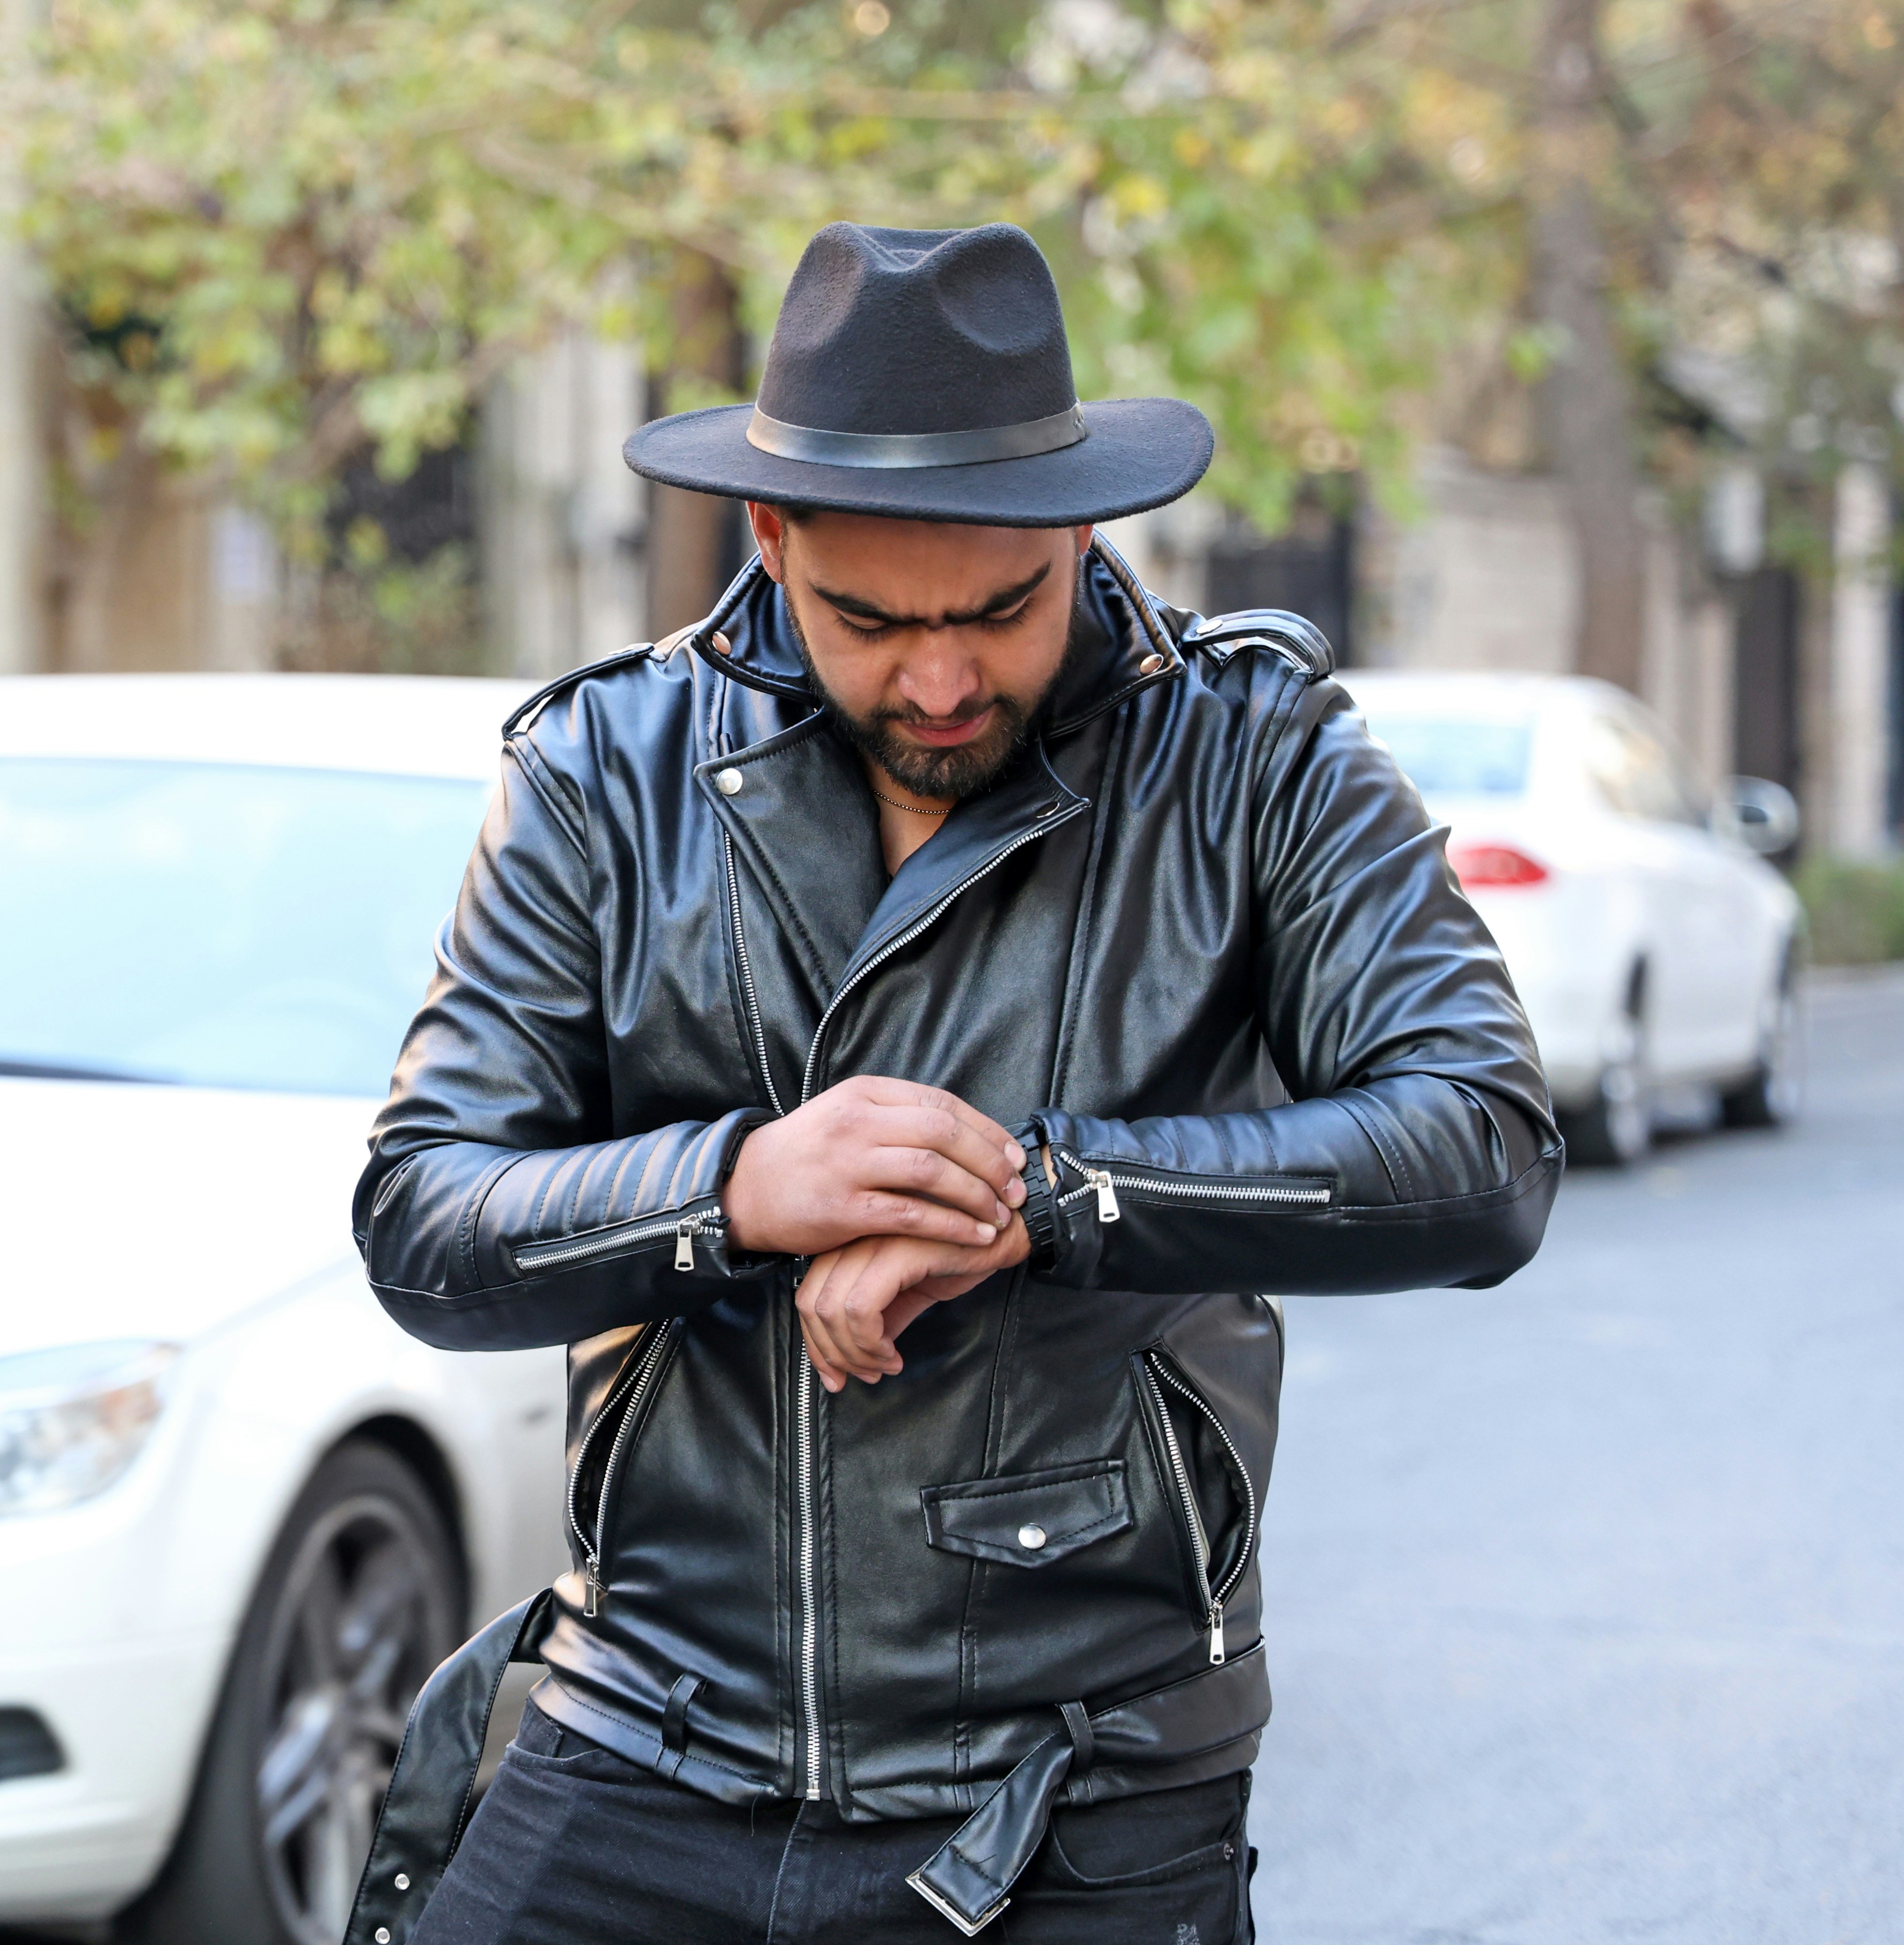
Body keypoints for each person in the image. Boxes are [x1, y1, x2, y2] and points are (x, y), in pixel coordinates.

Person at [346, 221, 1558, 1943]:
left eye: (1000, 610)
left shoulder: (1253, 752)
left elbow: (1482, 1151)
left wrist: (1039, 1199)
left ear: (1082, 530)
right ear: (769, 537)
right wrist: (738, 1188)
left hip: (1083, 1782)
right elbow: (423, 1222)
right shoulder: (604, 769)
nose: (938, 679)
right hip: (645, 1730)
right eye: (868, 620)